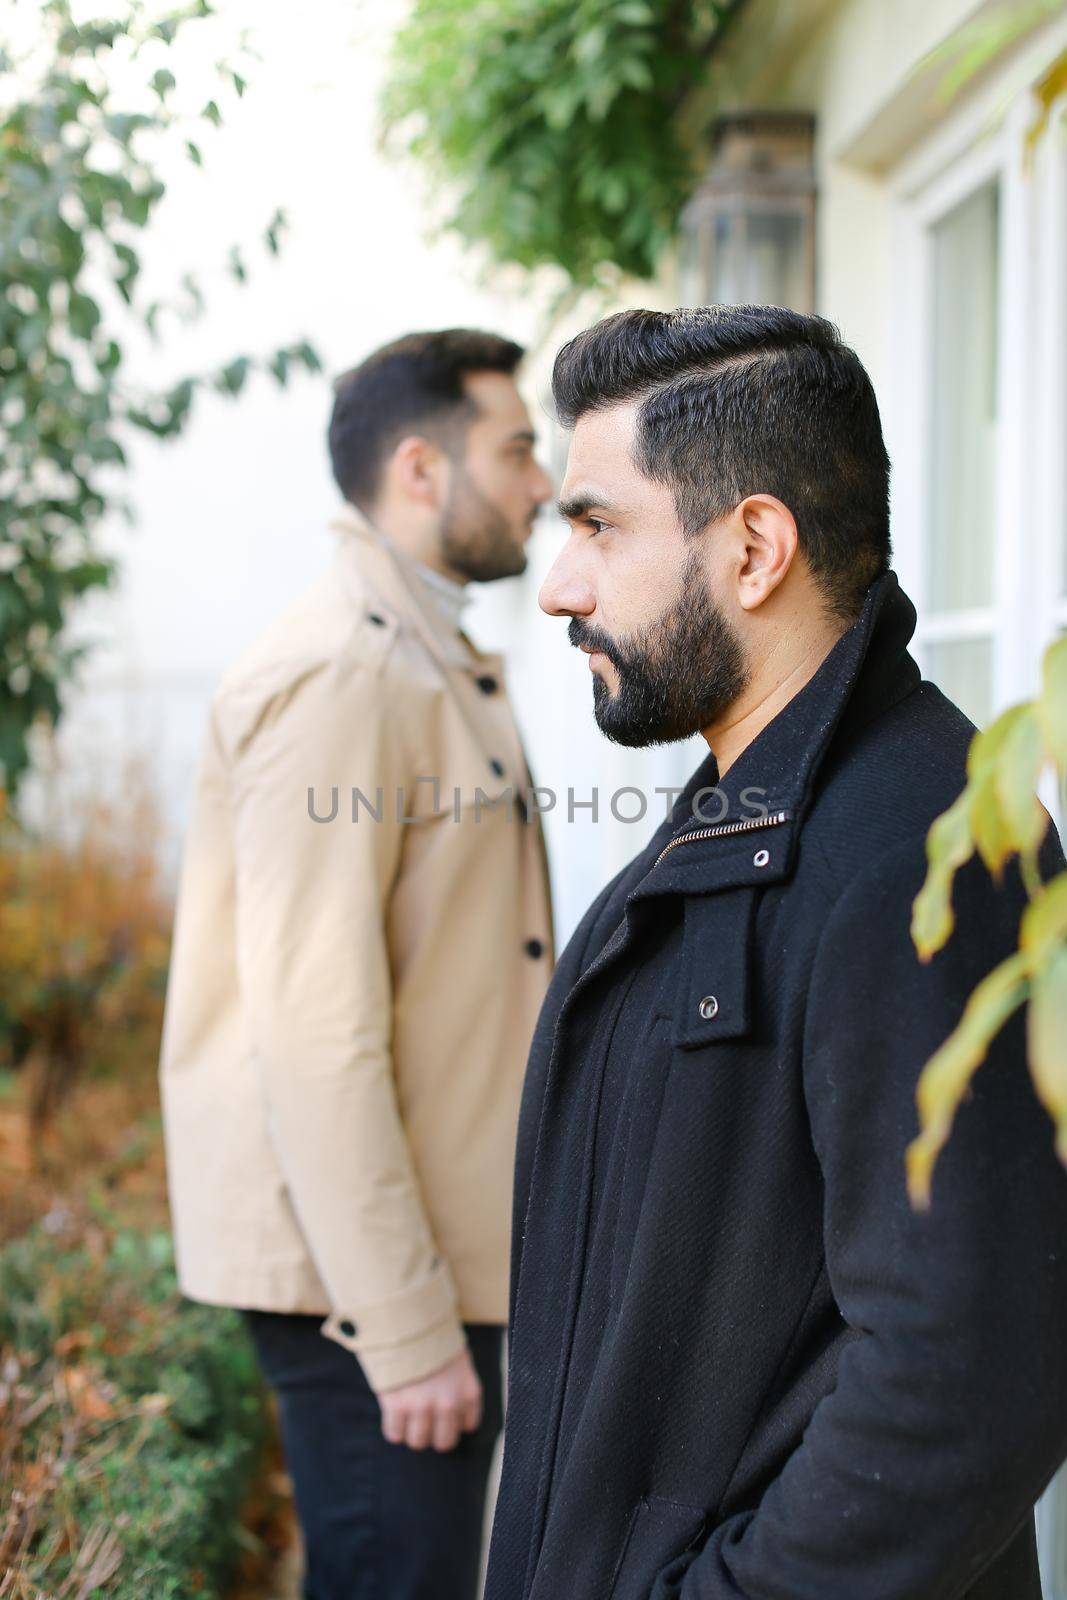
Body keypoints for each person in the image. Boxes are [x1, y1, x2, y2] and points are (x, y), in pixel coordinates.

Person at [483, 305, 1067, 1600]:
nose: (558, 586)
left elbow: (962, 1379)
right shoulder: (765, 806)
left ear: (751, 547)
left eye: (596, 526)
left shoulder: (913, 853)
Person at [160, 328, 555, 1600]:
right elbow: (315, 1029)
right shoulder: (345, 670)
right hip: (367, 1284)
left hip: (416, 1252)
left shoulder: (412, 647)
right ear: (420, 470)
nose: (542, 482)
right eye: (517, 448)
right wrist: (399, 1328)